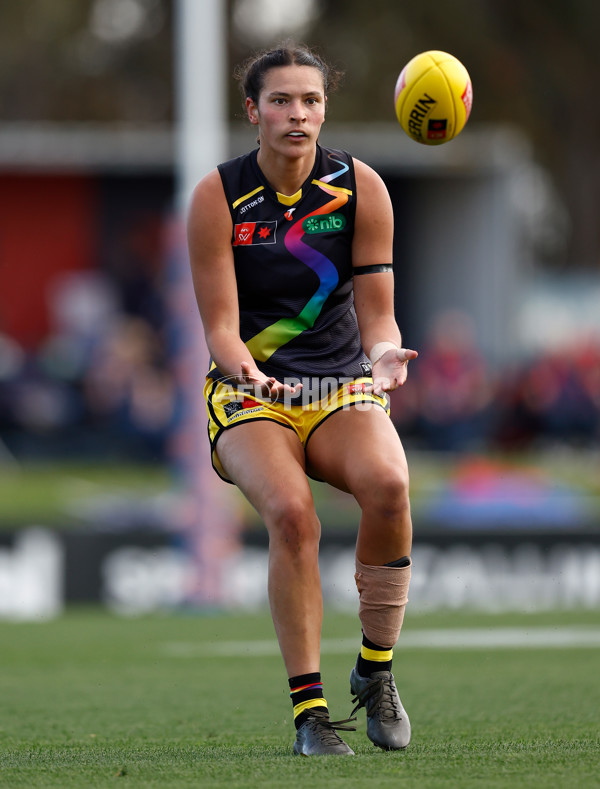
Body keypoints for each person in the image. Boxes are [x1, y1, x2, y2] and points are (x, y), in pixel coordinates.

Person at [187, 42, 418, 757]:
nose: (298, 113)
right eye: (281, 100)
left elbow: (378, 313)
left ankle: (374, 671)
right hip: (250, 392)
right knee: (292, 515)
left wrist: (384, 356)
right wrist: (246, 372)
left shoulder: (360, 186)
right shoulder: (217, 195)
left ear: (325, 108)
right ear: (253, 111)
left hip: (338, 382)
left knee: (389, 486)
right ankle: (310, 713)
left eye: (311, 100)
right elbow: (221, 328)